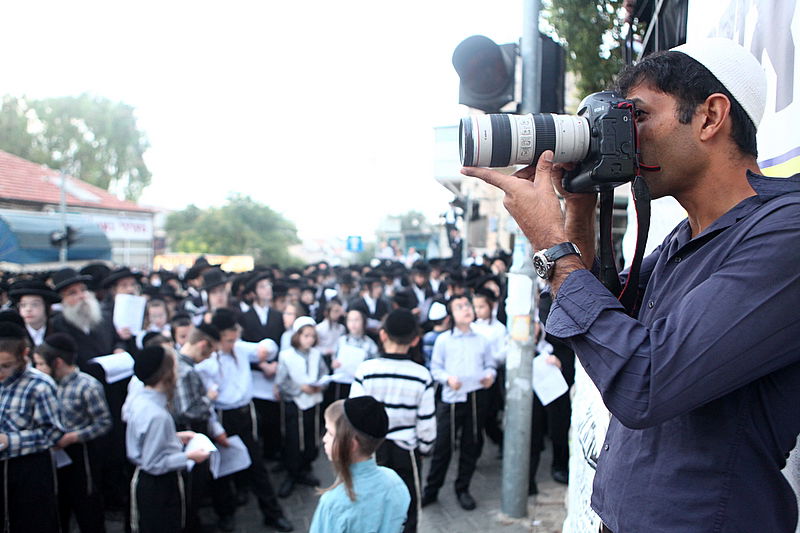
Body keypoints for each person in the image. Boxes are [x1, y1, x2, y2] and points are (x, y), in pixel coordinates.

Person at [462, 38, 800, 532]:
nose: (627, 137)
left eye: (637, 117)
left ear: (710, 117)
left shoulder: (784, 230)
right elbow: (594, 325)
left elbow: (644, 380)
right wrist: (577, 211)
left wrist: (552, 244)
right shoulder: (685, 237)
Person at [195, 308, 293, 532]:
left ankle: (272, 513)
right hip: (222, 414)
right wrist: (215, 427)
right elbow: (205, 401)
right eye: (228, 340)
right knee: (221, 469)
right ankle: (225, 514)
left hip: (244, 413)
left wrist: (265, 349)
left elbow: (269, 348)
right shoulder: (207, 361)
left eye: (235, 338)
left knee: (256, 465)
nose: (232, 343)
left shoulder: (239, 348)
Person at [350, 308, 436, 533]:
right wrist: (425, 448)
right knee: (407, 508)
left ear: (382, 334)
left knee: (371, 508)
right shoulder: (421, 375)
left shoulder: (366, 370)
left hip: (370, 451)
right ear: (416, 339)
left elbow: (354, 416)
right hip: (406, 452)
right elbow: (426, 423)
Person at [422, 294, 495, 510]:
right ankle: (431, 489)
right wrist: (447, 379)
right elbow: (435, 369)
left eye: (467, 305)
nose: (466, 309)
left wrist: (489, 376)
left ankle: (462, 488)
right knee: (443, 447)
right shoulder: (444, 340)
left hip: (475, 397)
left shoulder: (482, 339)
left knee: (470, 445)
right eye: (459, 307)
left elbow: (490, 365)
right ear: (451, 315)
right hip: (451, 400)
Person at [126, 345, 210, 533]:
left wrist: (175, 438)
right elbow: (154, 463)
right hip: (159, 486)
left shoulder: (141, 400)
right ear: (166, 374)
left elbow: (145, 441)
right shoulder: (158, 415)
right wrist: (189, 457)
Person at [35, 333, 113, 533]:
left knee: (88, 510)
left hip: (81, 456)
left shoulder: (87, 386)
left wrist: (73, 437)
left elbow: (103, 423)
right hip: (52, 456)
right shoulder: (43, 386)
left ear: (58, 362)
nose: (38, 370)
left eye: (42, 364)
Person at [309, 397, 410, 533]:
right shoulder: (396, 482)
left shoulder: (333, 503)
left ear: (351, 445)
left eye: (331, 433)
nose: (324, 439)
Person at [0, 320, 63, 532]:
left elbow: (53, 433)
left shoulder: (40, 385)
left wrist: (10, 441)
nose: (0, 372)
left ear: (23, 355)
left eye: (6, 366)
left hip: (29, 471)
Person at [275, 316, 328, 498]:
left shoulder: (316, 354)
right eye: (306, 336)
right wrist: (299, 388)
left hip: (312, 403)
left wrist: (320, 385)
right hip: (296, 404)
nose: (309, 340)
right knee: (294, 440)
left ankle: (306, 469)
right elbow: (281, 382)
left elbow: (324, 373)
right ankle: (292, 473)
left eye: (312, 336)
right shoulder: (286, 356)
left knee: (311, 437)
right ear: (297, 336)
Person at [8, 278, 61, 346]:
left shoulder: (60, 331)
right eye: (23, 305)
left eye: (34, 304)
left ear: (47, 307)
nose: (28, 309)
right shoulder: (13, 335)